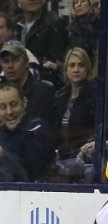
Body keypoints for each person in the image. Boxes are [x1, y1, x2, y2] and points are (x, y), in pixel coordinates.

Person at [52, 47, 96, 180]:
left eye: (80, 65)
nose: (76, 69)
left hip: (82, 156)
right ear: (66, 70)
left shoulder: (94, 95)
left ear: (87, 68)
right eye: (72, 65)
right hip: (62, 155)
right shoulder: (60, 97)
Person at [0, 82, 53, 181]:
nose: (9, 112)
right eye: (3, 107)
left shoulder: (38, 128)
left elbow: (31, 172)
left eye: (13, 104)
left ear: (24, 103)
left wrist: (4, 156)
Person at [0, 40, 55, 124]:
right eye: (6, 61)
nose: (10, 65)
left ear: (26, 62)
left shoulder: (43, 92)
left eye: (15, 60)